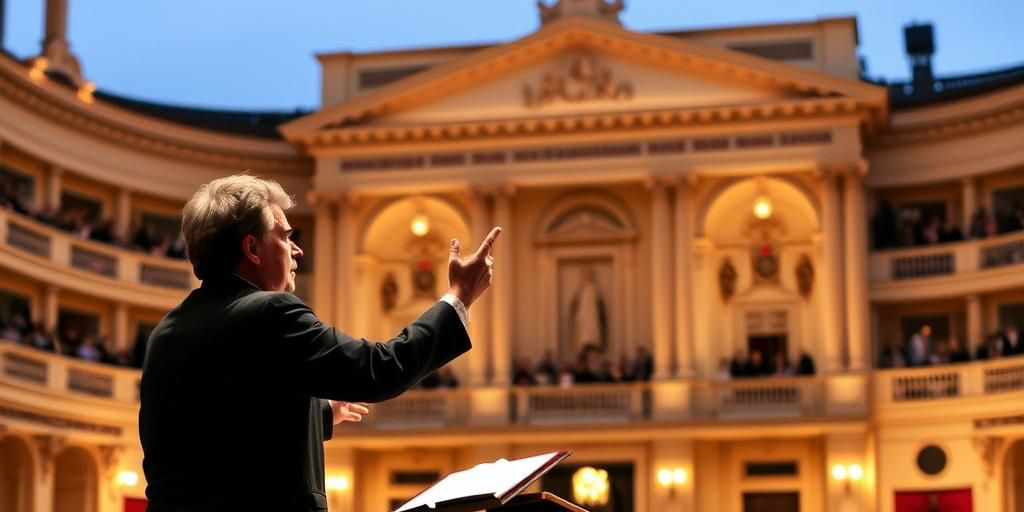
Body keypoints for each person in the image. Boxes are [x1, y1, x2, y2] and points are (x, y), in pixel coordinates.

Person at [139, 175, 500, 511]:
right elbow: (380, 368)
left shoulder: (166, 332)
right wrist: (459, 296)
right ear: (252, 248)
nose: (297, 251)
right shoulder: (270, 312)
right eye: (285, 237)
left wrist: (324, 411)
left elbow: (223, 426)